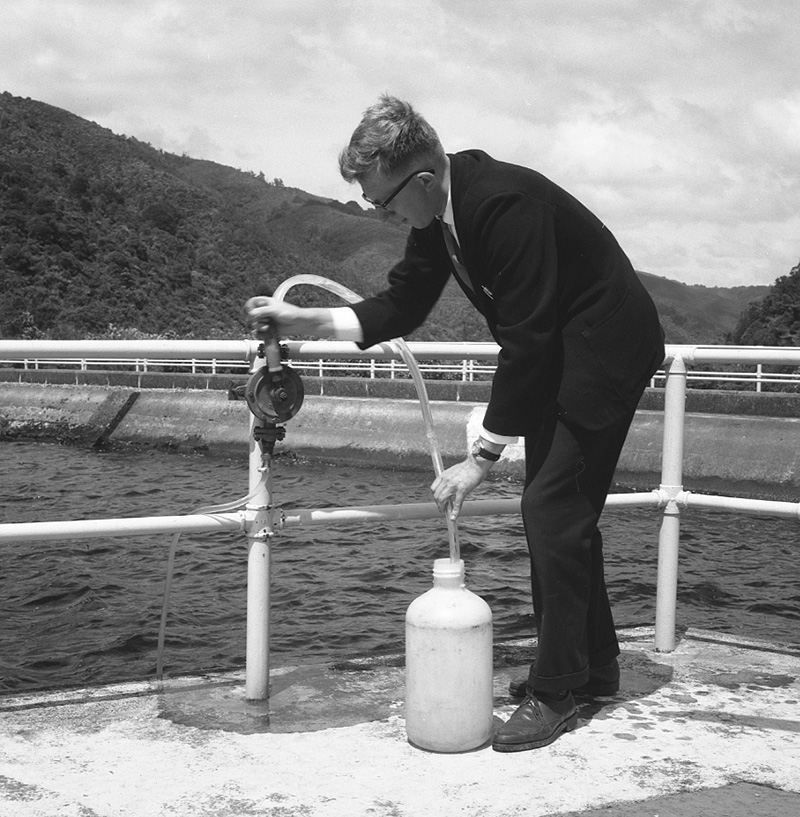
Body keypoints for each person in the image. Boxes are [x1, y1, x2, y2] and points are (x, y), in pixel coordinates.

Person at [245, 94, 665, 753]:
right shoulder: (443, 211)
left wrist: (481, 458)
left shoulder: (502, 205)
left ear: (420, 179)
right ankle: (593, 666)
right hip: (563, 354)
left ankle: (558, 689)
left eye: (384, 202)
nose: (383, 215)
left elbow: (527, 336)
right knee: (563, 513)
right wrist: (305, 321)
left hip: (602, 352)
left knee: (552, 509)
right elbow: (404, 304)